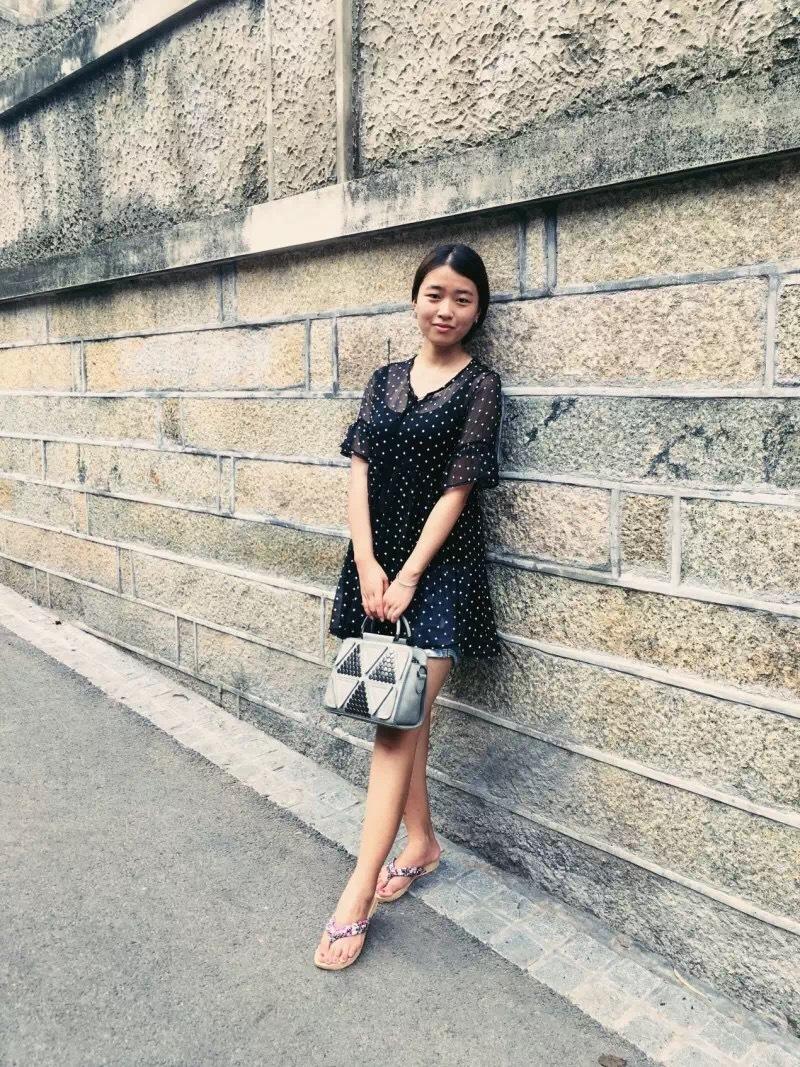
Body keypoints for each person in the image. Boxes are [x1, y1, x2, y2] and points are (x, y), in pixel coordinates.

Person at [315, 243, 504, 969]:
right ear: (415, 297)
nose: (445, 309)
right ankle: (421, 842)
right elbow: (359, 473)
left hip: (441, 572)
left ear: (477, 310)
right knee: (403, 713)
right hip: (375, 568)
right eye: (435, 293)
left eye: (462, 298)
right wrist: (368, 563)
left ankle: (356, 893)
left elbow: (459, 489)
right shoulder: (384, 380)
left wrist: (410, 575)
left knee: (394, 728)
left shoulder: (481, 386)